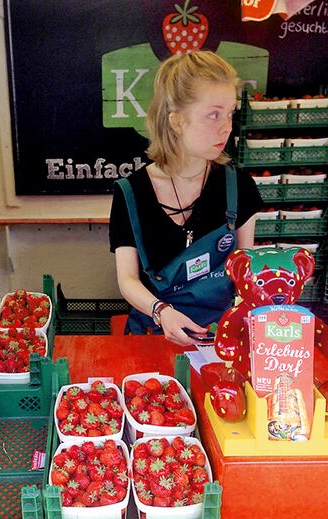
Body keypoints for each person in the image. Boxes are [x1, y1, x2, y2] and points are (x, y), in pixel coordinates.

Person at [109, 50, 263, 346]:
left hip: (219, 338)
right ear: (177, 121)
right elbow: (127, 280)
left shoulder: (239, 186)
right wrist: (161, 311)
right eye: (213, 114)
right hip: (152, 333)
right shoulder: (131, 193)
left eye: (230, 113)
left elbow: (246, 268)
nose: (227, 127)